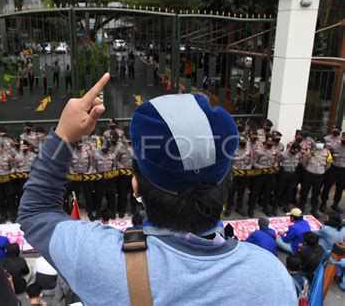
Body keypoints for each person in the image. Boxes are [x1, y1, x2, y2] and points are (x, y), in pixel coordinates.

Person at [17, 75, 297, 304]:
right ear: (228, 182)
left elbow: (36, 212)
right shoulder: (271, 278)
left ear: (135, 185)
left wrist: (64, 135)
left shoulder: (99, 261)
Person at [299, 135, 332, 219]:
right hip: (309, 173)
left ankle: (314, 209)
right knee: (304, 191)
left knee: (316, 193)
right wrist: (308, 169)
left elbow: (328, 164)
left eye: (320, 143)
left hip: (320, 175)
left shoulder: (327, 153)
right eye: (317, 143)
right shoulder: (310, 151)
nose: (319, 144)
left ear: (323, 143)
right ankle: (301, 208)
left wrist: (322, 170)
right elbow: (304, 161)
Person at [248, 134, 278, 217]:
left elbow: (275, 161)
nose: (270, 143)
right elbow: (254, 163)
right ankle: (251, 209)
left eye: (272, 141)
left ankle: (266, 208)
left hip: (270, 174)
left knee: (268, 192)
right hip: (260, 174)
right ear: (265, 141)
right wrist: (261, 168)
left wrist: (275, 166)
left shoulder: (274, 151)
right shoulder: (259, 151)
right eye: (269, 141)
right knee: (255, 192)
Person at [226, 135, 251, 217]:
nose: (242, 144)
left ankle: (239, 207)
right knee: (231, 191)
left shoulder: (248, 151)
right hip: (234, 173)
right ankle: (229, 207)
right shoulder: (233, 149)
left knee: (241, 191)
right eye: (241, 142)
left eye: (244, 142)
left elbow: (251, 162)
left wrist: (247, 168)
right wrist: (234, 169)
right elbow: (229, 160)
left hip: (244, 173)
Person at [320, 131, 345, 214]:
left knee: (340, 188)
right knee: (327, 186)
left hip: (343, 170)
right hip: (333, 168)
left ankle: (335, 204)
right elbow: (327, 156)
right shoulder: (333, 147)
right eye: (344, 138)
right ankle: (323, 203)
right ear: (341, 138)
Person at [275, 143, 301, 213]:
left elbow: (299, 162)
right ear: (291, 148)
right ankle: (274, 207)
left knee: (290, 192)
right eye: (294, 151)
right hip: (284, 174)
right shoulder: (283, 154)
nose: (295, 153)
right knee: (279, 191)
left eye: (297, 151)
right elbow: (277, 162)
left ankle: (286, 205)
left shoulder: (298, 154)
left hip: (293, 175)